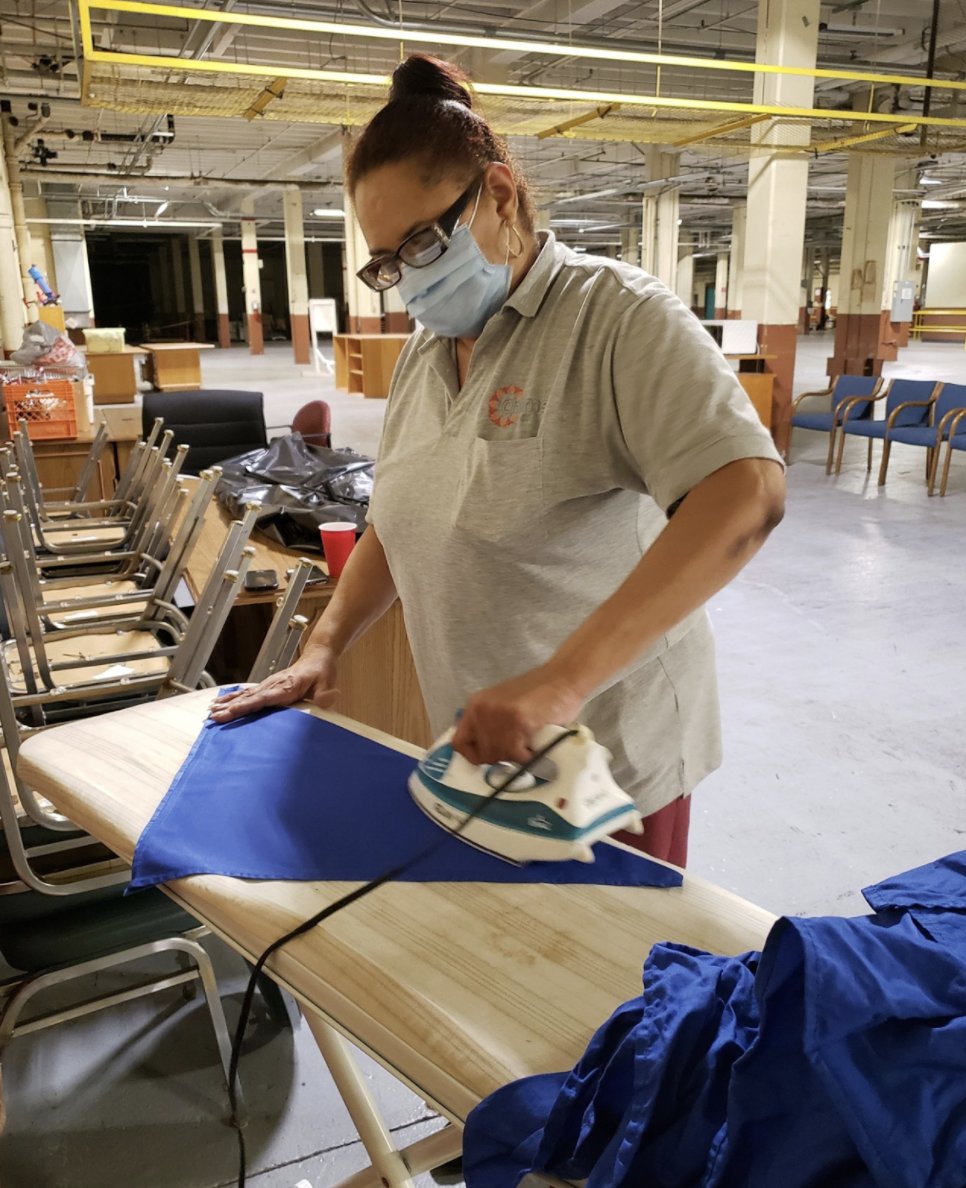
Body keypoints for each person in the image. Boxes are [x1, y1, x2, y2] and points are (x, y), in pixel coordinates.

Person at [210, 52, 786, 871]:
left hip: (598, 761)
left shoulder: (617, 318)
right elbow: (401, 519)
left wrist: (559, 683)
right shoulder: (427, 351)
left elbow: (747, 494)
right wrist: (325, 646)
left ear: (501, 195)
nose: (409, 280)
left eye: (422, 242)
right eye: (387, 262)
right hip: (482, 754)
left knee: (603, 986)